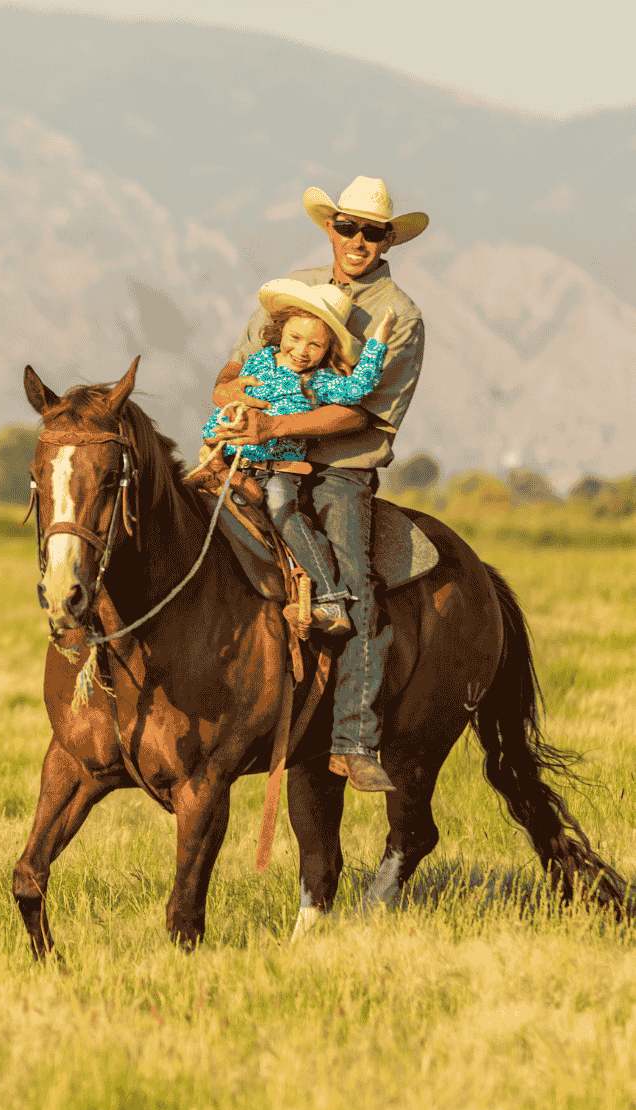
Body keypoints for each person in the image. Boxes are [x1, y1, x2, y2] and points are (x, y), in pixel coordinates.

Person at [212, 176, 428, 793]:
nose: (357, 239)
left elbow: (362, 412)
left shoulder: (399, 316)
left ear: (389, 239)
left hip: (341, 468)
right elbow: (236, 367)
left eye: (372, 231)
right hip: (258, 449)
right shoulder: (291, 293)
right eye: (347, 226)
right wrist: (237, 400)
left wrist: (273, 419)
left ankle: (355, 739)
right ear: (329, 227)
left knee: (356, 587)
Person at [200, 280, 395, 637]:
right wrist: (219, 427)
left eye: (315, 344)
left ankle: (330, 600)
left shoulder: (321, 381)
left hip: (278, 470)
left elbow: (359, 389)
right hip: (233, 462)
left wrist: (377, 343)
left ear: (328, 349)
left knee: (283, 512)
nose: (302, 350)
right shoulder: (259, 360)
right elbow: (235, 400)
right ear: (279, 333)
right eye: (294, 338)